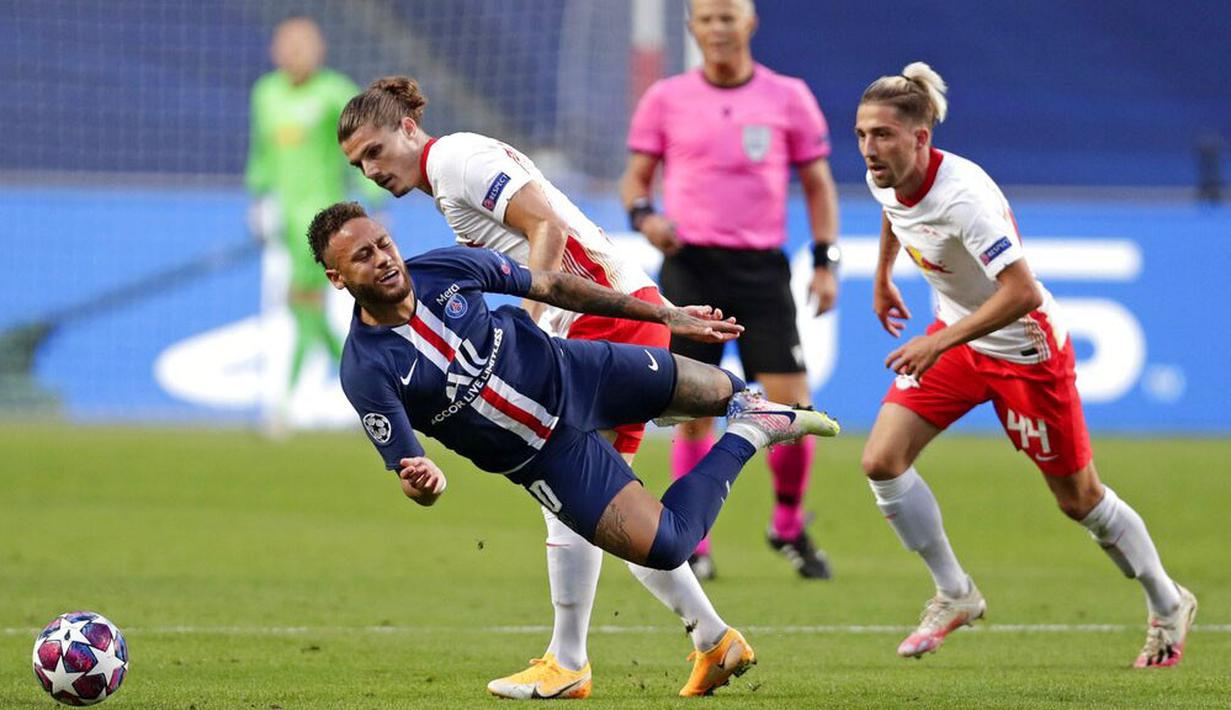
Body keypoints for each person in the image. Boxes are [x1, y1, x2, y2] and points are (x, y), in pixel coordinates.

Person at [335, 76, 767, 698]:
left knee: (580, 494)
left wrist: (532, 322)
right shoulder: (449, 179)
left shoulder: (456, 161)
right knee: (596, 503)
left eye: (375, 151)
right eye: (358, 164)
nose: (371, 170)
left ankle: (573, 661)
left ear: (407, 127)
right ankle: (710, 640)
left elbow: (547, 231)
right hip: (607, 314)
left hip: (602, 321)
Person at [308, 203, 839, 694]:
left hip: (579, 371)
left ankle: (676, 644)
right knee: (667, 543)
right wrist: (427, 481)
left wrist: (662, 316)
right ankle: (753, 434)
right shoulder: (365, 371)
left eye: (383, 243)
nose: (382, 259)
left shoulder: (443, 269)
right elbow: (411, 474)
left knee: (724, 389)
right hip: (550, 456)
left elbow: (553, 286)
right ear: (337, 278)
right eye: (363, 256)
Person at [854, 62, 1196, 667]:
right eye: (862, 133)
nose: (869, 147)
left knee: (1078, 499)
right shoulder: (885, 173)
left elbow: (1023, 292)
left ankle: (1168, 601)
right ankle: (954, 593)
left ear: (920, 137)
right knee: (881, 460)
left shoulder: (965, 197)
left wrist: (937, 342)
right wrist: (883, 277)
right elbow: (893, 211)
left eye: (882, 134)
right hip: (960, 339)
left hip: (1024, 349)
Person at [619, 0, 841, 581]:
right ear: (692, 28)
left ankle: (787, 526)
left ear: (750, 24)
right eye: (707, 19)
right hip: (691, 270)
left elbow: (818, 184)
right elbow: (635, 182)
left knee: (795, 410)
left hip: (763, 271)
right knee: (693, 410)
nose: (718, 28)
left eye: (728, 17)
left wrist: (825, 260)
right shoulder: (665, 98)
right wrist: (646, 218)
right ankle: (698, 540)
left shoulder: (787, 96)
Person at [245, 16, 382, 431]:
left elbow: (360, 149)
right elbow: (263, 154)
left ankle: (284, 408)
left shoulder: (334, 92)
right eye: (286, 45)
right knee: (304, 306)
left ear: (319, 50)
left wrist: (375, 200)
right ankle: (370, 393)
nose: (293, 54)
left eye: (302, 45)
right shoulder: (266, 93)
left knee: (304, 303)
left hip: (326, 223)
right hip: (285, 221)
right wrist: (258, 199)